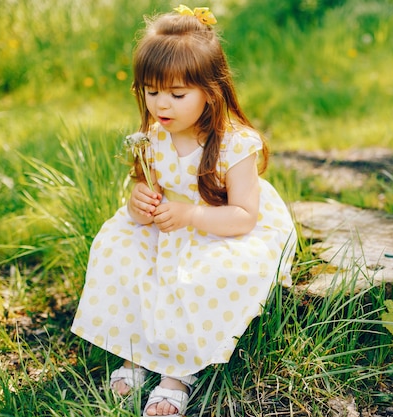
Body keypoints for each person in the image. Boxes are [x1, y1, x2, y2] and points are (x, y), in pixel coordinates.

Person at [71, 5, 297, 417]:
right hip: (169, 224)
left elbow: (244, 215)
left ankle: (177, 373)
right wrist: (138, 203)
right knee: (120, 252)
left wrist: (191, 216)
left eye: (177, 94)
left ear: (210, 91)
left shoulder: (235, 144)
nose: (162, 105)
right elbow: (147, 189)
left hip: (220, 226)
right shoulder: (155, 138)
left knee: (199, 276)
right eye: (152, 91)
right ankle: (135, 351)